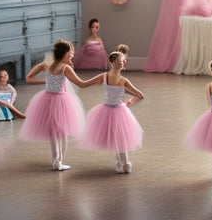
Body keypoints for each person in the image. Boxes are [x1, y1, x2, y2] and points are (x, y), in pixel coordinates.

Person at [19, 39, 94, 171]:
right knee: (62, 132)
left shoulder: (46, 64)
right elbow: (81, 84)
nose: (72, 55)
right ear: (64, 54)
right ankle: (60, 161)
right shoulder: (65, 68)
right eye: (70, 54)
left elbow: (28, 78)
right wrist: (100, 78)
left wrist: (47, 81)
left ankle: (56, 160)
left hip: (47, 99)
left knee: (53, 132)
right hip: (61, 100)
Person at [78, 51, 144, 174]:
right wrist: (128, 101)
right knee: (119, 137)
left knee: (116, 137)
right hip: (118, 110)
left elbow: (83, 84)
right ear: (113, 62)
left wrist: (127, 100)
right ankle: (123, 163)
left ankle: (122, 163)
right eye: (122, 60)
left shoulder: (105, 77)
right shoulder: (123, 80)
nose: (124, 62)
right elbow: (139, 95)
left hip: (108, 110)